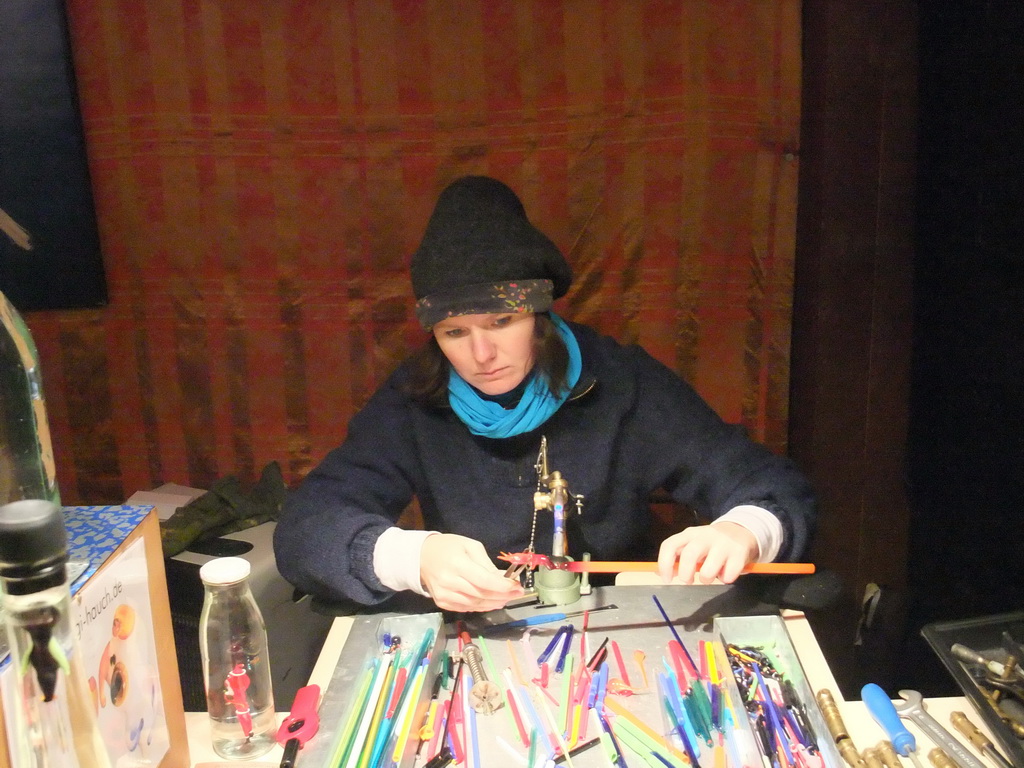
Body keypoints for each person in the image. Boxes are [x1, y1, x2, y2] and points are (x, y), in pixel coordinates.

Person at [273, 176, 816, 613]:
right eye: (455, 333)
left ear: (539, 314)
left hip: (618, 625)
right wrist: (411, 557)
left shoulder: (622, 382)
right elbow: (307, 526)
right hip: (480, 633)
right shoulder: (416, 399)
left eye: (501, 321)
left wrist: (741, 530)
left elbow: (769, 485)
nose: (480, 354)